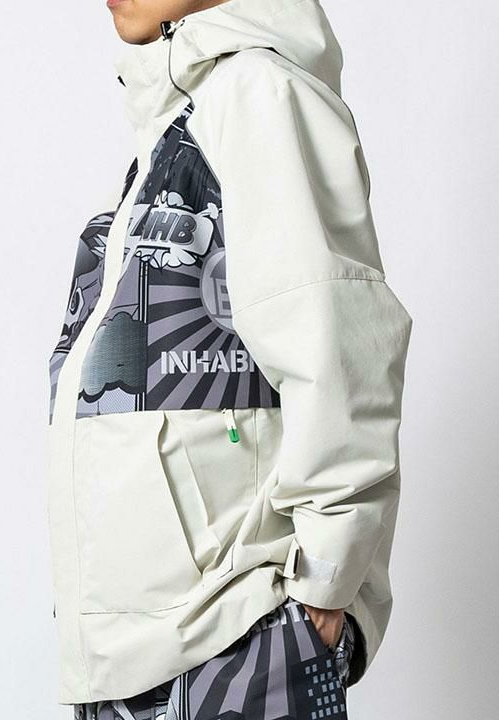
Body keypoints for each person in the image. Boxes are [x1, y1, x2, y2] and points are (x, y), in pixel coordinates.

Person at [46, 0, 414, 718]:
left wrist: (323, 587)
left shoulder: (258, 93)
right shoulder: (182, 123)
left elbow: (339, 342)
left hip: (233, 639)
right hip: (146, 653)